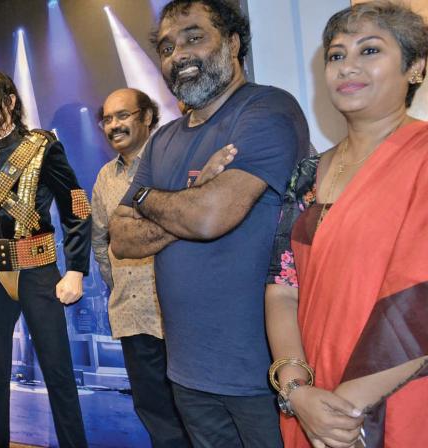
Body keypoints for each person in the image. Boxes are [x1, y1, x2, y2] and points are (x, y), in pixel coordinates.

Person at [109, 1, 309, 446]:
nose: (178, 54)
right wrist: (190, 196)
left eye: (194, 37)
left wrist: (160, 202)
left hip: (264, 376)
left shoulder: (267, 110)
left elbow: (211, 216)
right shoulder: (163, 140)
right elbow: (121, 237)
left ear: (234, 42)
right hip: (188, 373)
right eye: (166, 47)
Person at [265, 2, 428, 447]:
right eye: (336, 55)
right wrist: (298, 391)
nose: (347, 67)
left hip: (399, 395)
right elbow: (282, 286)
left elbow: (421, 303)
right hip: (312, 393)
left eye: (370, 50)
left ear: (415, 67)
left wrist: (342, 411)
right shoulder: (306, 173)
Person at [0, 68, 90, 448]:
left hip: (37, 269)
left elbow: (76, 206)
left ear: (9, 101)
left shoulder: (43, 146)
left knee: (58, 372)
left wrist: (76, 269)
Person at [91, 88, 191, 447]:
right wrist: (118, 282)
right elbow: (100, 241)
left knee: (196, 410)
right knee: (155, 414)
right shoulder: (105, 177)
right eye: (107, 119)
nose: (114, 125)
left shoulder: (174, 160)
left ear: (147, 117)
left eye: (123, 116)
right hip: (133, 315)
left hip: (179, 312)